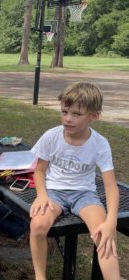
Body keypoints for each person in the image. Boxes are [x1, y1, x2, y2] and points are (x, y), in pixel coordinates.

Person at [29, 82, 120, 280]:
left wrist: (111, 221)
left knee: (102, 233)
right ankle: (40, 276)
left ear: (93, 116)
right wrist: (42, 195)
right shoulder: (51, 136)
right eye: (64, 112)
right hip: (54, 192)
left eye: (76, 114)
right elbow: (39, 170)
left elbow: (110, 186)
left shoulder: (100, 143)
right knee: (37, 225)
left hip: (84, 194)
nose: (67, 119)